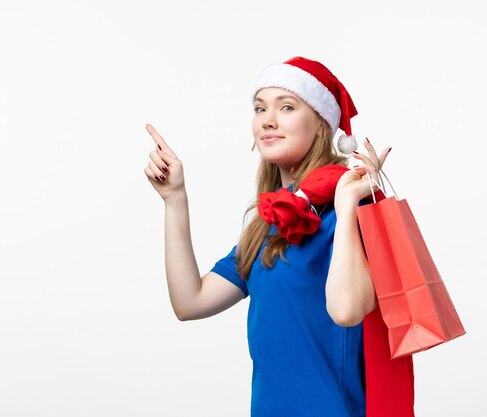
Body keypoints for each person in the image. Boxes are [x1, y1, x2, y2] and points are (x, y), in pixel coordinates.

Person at [143, 56, 415, 417]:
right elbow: (190, 302)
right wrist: (175, 201)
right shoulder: (267, 226)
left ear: (321, 125)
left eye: (286, 107)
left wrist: (347, 204)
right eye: (260, 108)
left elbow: (347, 310)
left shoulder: (347, 214)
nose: (268, 119)